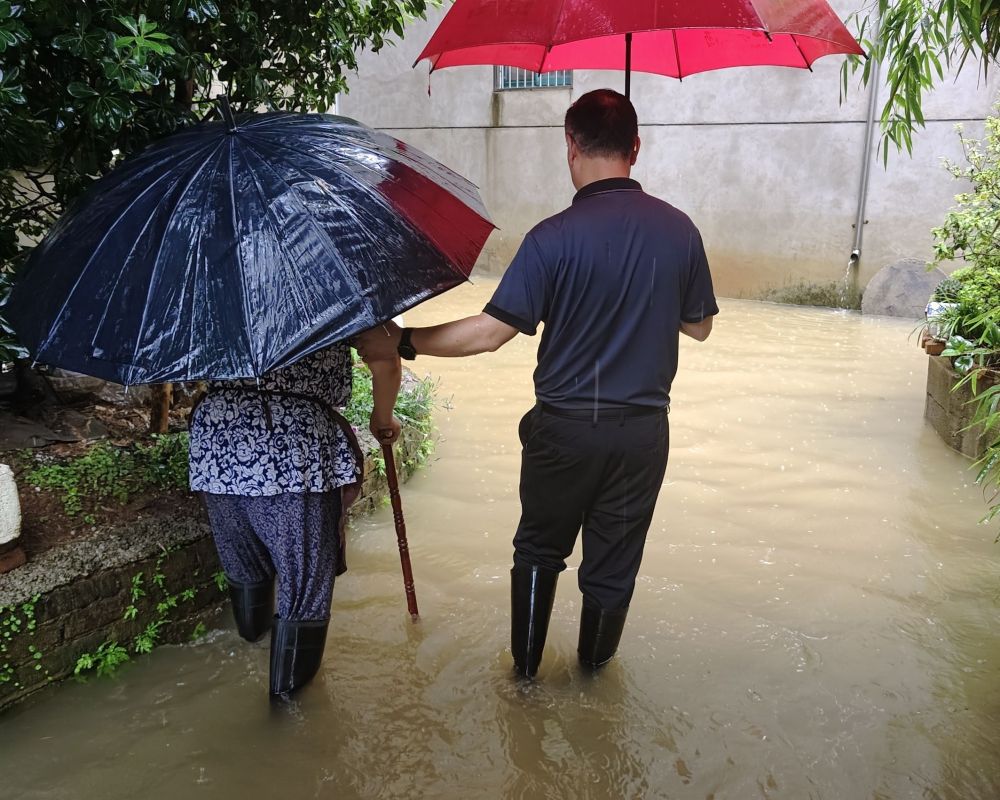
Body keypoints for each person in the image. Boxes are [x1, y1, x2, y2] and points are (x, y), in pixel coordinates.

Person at [358, 89, 717, 679]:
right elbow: (699, 326)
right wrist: (650, 295)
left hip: (563, 432)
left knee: (539, 551)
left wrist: (402, 341)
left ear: (570, 147)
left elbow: (490, 333)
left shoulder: (551, 237)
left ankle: (523, 683)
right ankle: (594, 680)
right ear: (636, 147)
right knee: (613, 566)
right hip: (641, 437)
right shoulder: (679, 232)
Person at [189, 331, 401, 696]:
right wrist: (383, 417)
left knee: (244, 565)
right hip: (292, 441)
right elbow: (384, 359)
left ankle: (251, 644)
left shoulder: (215, 290)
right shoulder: (326, 285)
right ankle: (287, 710)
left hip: (217, 439)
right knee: (304, 586)